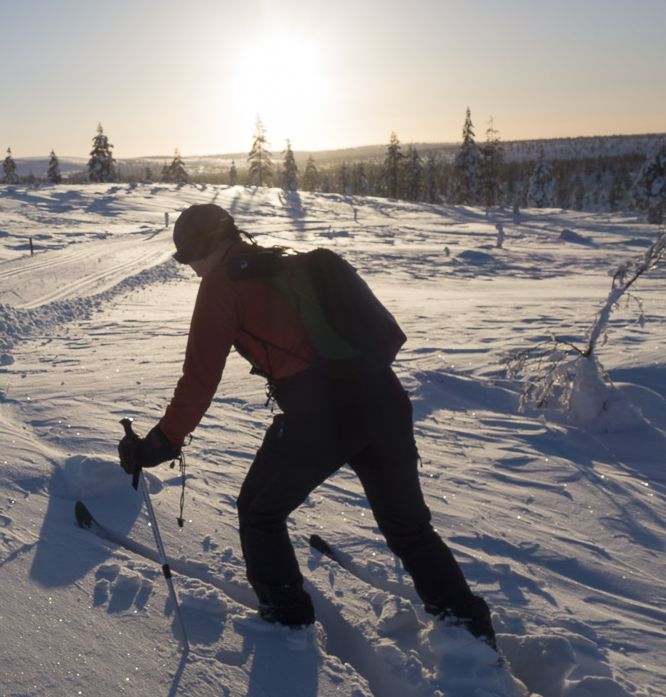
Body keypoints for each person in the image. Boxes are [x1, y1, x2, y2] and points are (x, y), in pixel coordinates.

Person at [118, 203, 496, 648]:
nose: (191, 270)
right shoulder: (283, 259)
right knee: (409, 528)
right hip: (385, 400)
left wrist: (158, 445)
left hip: (322, 416)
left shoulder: (223, 284)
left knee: (259, 512)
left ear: (203, 248)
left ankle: (286, 619)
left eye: (188, 259)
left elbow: (199, 380)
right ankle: (467, 625)